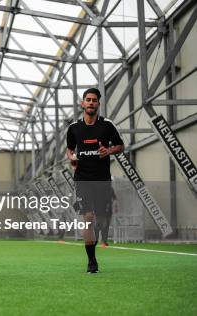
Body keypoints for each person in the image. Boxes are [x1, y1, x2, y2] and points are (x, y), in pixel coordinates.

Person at [66, 88, 124, 273]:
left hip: (102, 179)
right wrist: (72, 158)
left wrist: (108, 151)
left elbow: (120, 146)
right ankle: (92, 261)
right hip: (82, 179)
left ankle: (94, 241)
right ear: (83, 103)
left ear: (98, 104)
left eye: (94, 100)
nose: (91, 103)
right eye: (88, 100)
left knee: (100, 219)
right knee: (88, 218)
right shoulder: (74, 128)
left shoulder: (107, 125)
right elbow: (69, 149)